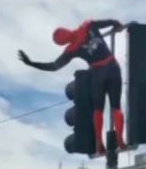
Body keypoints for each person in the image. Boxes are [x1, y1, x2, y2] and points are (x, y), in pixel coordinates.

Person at [18, 19, 126, 155]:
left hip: (98, 73)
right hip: (112, 67)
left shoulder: (71, 49)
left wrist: (31, 63)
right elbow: (111, 22)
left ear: (62, 43)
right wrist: (119, 26)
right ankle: (120, 140)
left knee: (98, 109)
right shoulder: (88, 26)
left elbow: (53, 66)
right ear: (66, 30)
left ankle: (99, 142)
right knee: (116, 107)